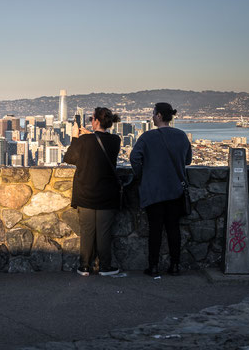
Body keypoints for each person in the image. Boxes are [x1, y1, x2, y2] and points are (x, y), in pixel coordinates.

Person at [130, 102, 192, 277]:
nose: (151, 116)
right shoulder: (181, 136)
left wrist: (143, 174)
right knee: (173, 229)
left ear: (158, 116)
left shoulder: (147, 137)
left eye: (153, 113)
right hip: (175, 191)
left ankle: (154, 266)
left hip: (154, 191)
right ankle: (175, 266)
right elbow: (187, 161)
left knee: (155, 230)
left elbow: (134, 158)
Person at [63, 107, 121, 277]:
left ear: (95, 121)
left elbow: (69, 158)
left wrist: (75, 136)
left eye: (91, 119)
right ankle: (104, 266)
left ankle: (84, 266)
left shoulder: (84, 141)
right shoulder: (115, 141)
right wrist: (91, 135)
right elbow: (100, 145)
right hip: (107, 194)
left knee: (87, 231)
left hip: (85, 193)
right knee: (104, 232)